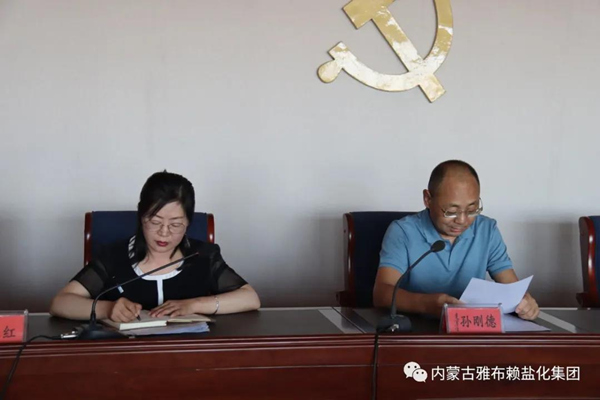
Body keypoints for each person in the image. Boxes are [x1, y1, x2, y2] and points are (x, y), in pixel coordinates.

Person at [50, 171, 260, 322]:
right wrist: (107, 308)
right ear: (141, 216)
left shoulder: (203, 255)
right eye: (155, 221)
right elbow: (60, 303)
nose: (164, 233)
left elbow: (250, 298)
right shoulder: (114, 256)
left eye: (175, 224)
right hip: (125, 359)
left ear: (188, 222)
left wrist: (194, 304)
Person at [373, 160, 539, 320]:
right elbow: (381, 294)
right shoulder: (403, 232)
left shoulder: (487, 230)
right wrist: (426, 304)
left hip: (470, 330)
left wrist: (525, 303)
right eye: (451, 211)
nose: (462, 220)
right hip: (415, 328)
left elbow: (512, 289)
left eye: (472, 210)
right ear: (428, 199)